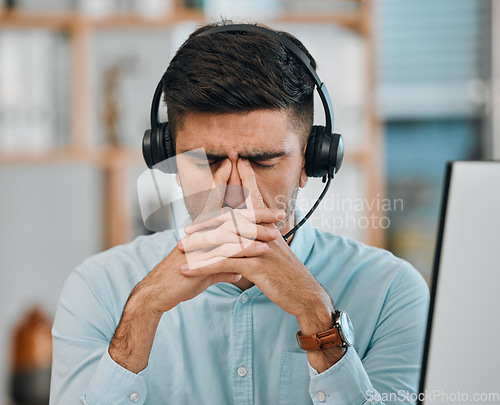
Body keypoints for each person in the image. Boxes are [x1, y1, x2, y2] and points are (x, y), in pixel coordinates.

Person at [50, 22, 429, 405]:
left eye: (263, 162)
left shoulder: (391, 293)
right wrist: (140, 315)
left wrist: (319, 319)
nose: (234, 192)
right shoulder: (98, 289)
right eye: (208, 161)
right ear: (170, 162)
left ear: (310, 162)